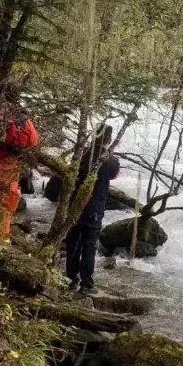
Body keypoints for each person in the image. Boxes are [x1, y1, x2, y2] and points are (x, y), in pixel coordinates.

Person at [65, 125, 120, 293]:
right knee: (89, 245)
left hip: (76, 204)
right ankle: (86, 284)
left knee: (73, 242)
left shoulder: (83, 153)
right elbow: (115, 175)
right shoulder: (110, 160)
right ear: (109, 141)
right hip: (95, 207)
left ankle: (71, 278)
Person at [0, 91, 39, 242]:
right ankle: (2, 239)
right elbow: (34, 144)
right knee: (8, 202)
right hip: (7, 167)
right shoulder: (24, 123)